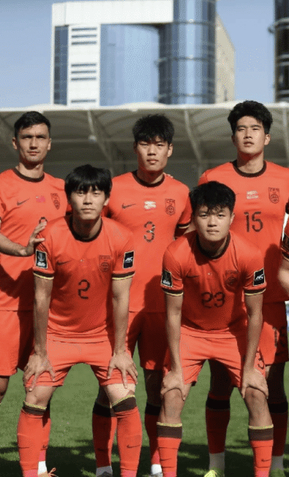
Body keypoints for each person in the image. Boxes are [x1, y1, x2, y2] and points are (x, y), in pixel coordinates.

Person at [18, 165, 141, 477]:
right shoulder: (49, 236)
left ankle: (120, 473)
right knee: (35, 395)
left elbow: (121, 298)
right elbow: (41, 297)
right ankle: (30, 473)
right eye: (80, 192)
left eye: (96, 193)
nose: (88, 199)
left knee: (125, 397)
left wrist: (121, 350)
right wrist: (40, 352)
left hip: (102, 336)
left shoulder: (122, 237)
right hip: (57, 334)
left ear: (106, 199)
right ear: (69, 198)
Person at [197, 100, 289, 477]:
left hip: (270, 299)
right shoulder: (213, 177)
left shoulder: (287, 179)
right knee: (220, 382)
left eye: (255, 128)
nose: (248, 134)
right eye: (241, 129)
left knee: (273, 384)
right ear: (233, 136)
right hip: (226, 299)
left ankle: (275, 463)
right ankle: (216, 464)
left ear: (267, 137)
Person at [91, 115, 192, 477]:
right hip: (116, 304)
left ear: (170, 150)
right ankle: (103, 466)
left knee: (156, 388)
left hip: (161, 305)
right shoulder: (113, 189)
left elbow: (186, 244)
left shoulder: (181, 193)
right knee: (110, 387)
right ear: (135, 147)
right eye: (146, 144)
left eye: (159, 145)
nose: (152, 151)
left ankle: (155, 463)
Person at [156, 181, 273, 477]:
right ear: (194, 217)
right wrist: (176, 369)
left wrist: (250, 369)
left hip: (233, 331)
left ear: (232, 218)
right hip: (190, 331)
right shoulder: (175, 253)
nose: (212, 222)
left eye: (220, 215)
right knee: (172, 394)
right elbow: (172, 314)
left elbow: (255, 314)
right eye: (205, 214)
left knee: (256, 394)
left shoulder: (249, 254)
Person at [0, 111, 67, 477]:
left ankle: (39, 466)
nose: (33, 143)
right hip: (6, 303)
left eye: (40, 137)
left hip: (49, 307)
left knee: (41, 389)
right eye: (27, 137)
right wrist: (23, 250)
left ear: (49, 143)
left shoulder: (62, 189)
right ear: (15, 142)